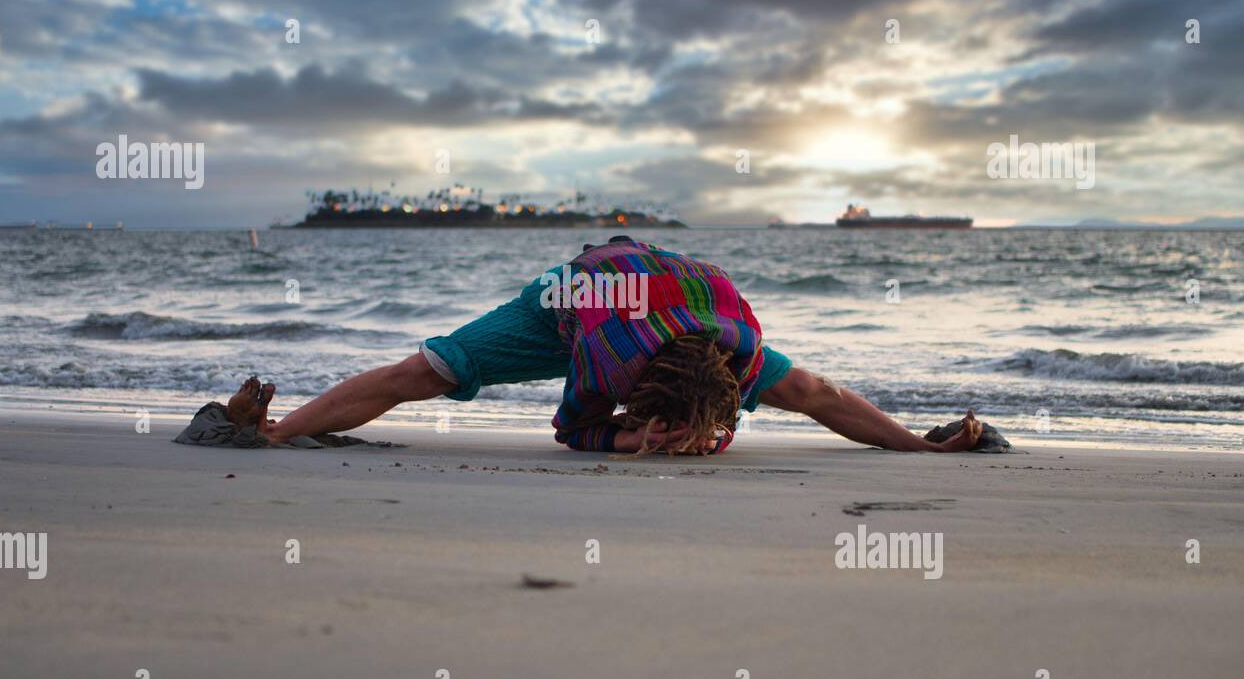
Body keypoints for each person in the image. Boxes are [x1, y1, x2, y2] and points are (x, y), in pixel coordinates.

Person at [226, 237, 984, 454]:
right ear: (638, 392)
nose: (690, 448)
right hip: (575, 295)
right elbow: (572, 427)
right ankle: (274, 429)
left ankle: (916, 445)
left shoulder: (741, 349)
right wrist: (618, 440)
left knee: (808, 390)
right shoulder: (608, 358)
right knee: (425, 372)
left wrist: (923, 446)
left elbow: (826, 397)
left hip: (664, 282)